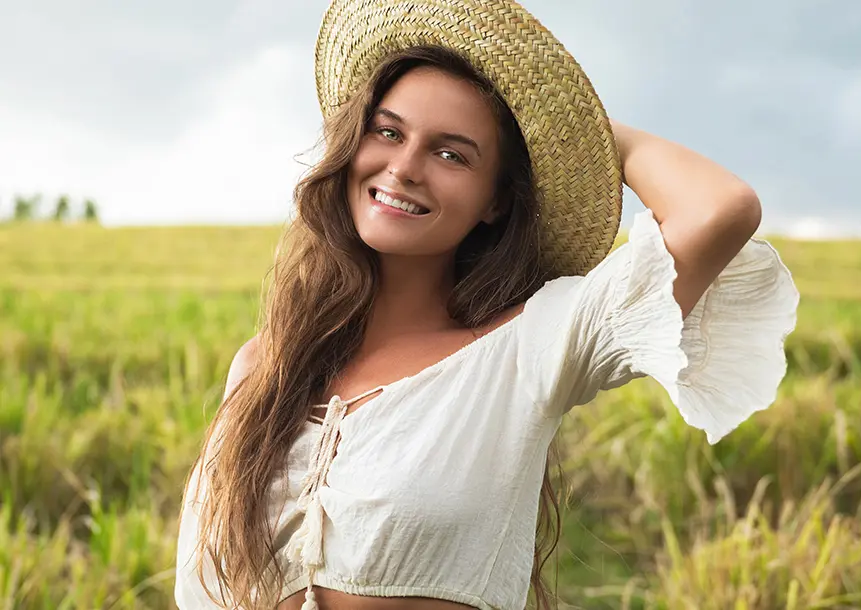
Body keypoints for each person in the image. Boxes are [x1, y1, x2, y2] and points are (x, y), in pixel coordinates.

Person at [174, 1, 799, 609]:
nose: (404, 167)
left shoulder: (531, 345)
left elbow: (719, 209)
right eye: (387, 132)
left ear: (496, 200)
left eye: (451, 154)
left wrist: (570, 128)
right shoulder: (266, 366)